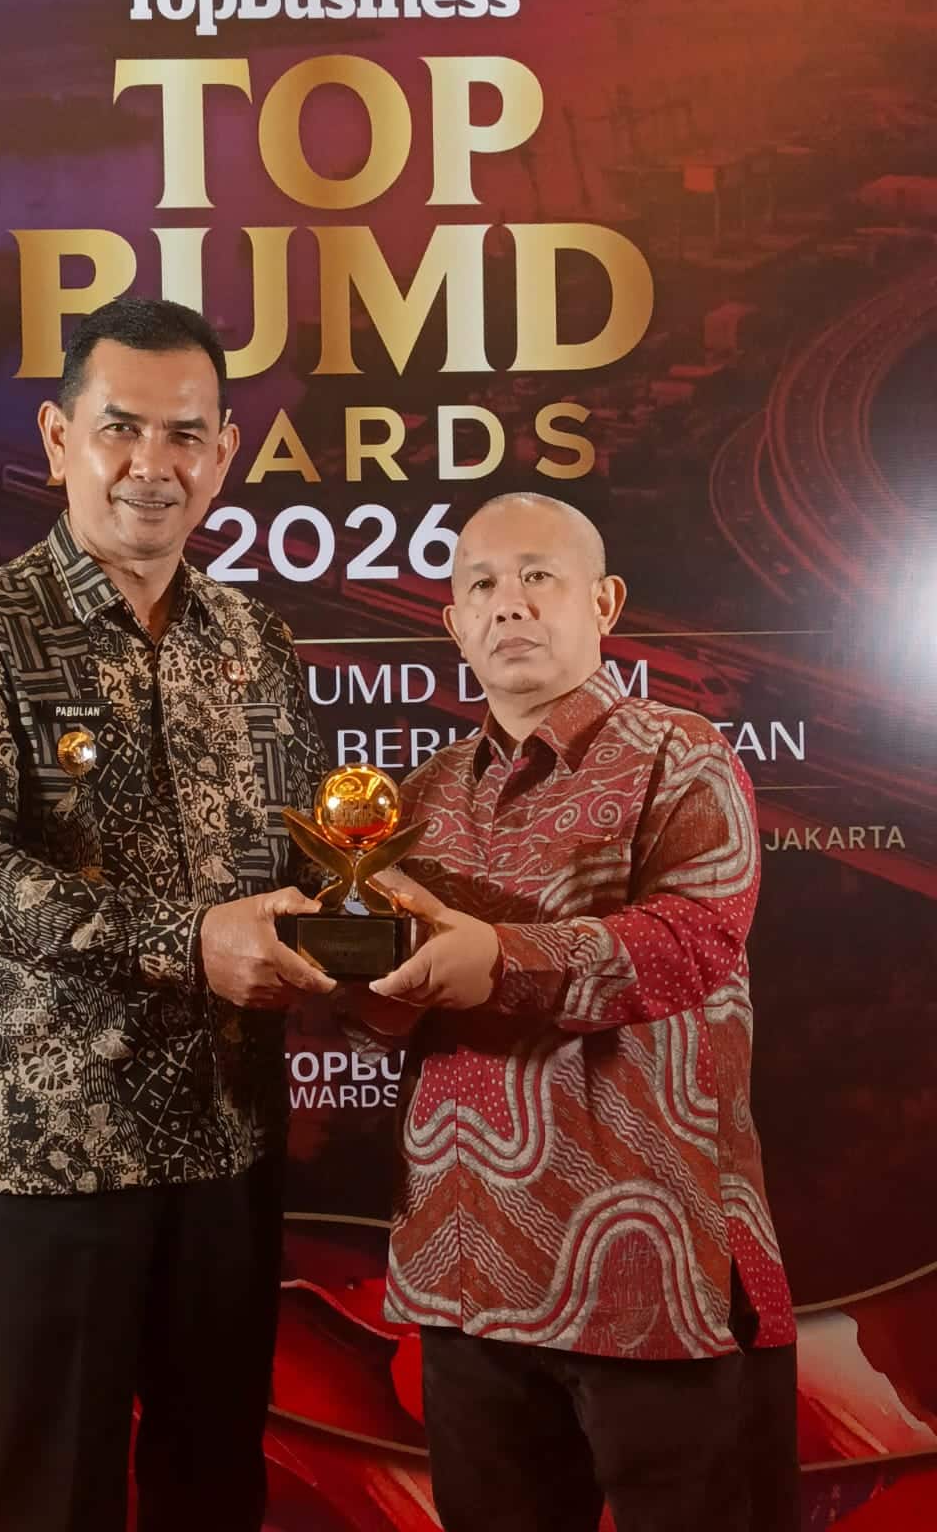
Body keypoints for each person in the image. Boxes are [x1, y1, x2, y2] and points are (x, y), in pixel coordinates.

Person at [0, 296, 335, 1532]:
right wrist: (187, 941)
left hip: (227, 1146)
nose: (152, 464)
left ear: (224, 453)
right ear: (57, 438)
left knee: (214, 1495)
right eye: (120, 427)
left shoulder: (255, 639)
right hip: (46, 1157)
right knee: (48, 1504)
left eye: (185, 434)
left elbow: (310, 851)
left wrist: (374, 933)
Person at [351, 492, 798, 1532]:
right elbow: (387, 1012)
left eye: (537, 576)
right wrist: (355, 991)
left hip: (658, 1278)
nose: (508, 603)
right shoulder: (413, 799)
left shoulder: (682, 753)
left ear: (603, 602)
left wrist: (498, 960)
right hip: (465, 1278)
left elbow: (694, 940)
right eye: (481, 585)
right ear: (455, 623)